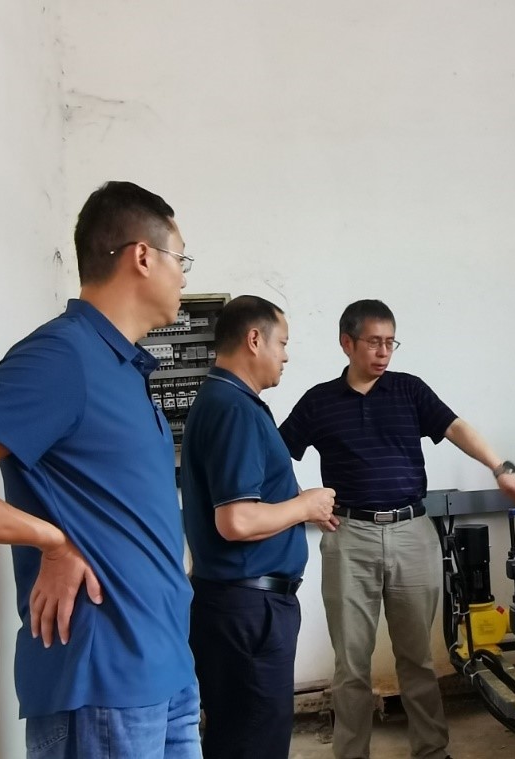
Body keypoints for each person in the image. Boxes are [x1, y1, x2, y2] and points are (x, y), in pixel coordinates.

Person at [0, 181, 200, 757]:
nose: (184, 277)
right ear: (142, 256)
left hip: (167, 671)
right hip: (103, 687)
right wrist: (50, 541)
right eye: (181, 259)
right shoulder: (62, 356)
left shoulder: (125, 368)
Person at [279, 299, 515, 759]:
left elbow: (456, 428)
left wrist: (500, 468)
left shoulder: (409, 390)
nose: (383, 352)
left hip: (412, 532)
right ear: (346, 343)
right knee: (351, 664)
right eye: (374, 342)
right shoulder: (319, 401)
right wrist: (302, 506)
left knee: (417, 658)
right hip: (350, 537)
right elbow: (276, 454)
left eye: (390, 343)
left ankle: (432, 751)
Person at [181, 295, 336, 759]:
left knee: (242, 736)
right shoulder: (234, 408)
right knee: (254, 742)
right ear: (254, 339)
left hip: (239, 606)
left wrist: (300, 505)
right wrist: (304, 505)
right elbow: (236, 519)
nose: (285, 355)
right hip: (249, 611)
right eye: (282, 343)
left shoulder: (226, 401)